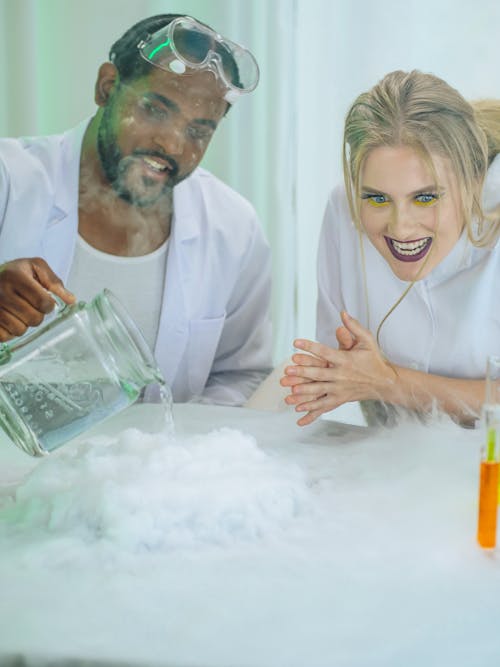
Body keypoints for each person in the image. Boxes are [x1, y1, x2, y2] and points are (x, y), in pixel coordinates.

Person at [0, 14, 272, 405]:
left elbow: (242, 376)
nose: (173, 146)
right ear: (107, 86)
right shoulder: (10, 178)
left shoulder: (233, 227)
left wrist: (170, 455)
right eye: (155, 110)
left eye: (198, 131)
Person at [281, 69, 500, 426]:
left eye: (426, 197)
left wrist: (388, 382)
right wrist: (330, 378)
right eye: (378, 198)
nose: (401, 227)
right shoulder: (343, 210)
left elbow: (374, 381)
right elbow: (343, 368)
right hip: (394, 463)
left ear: (474, 180)